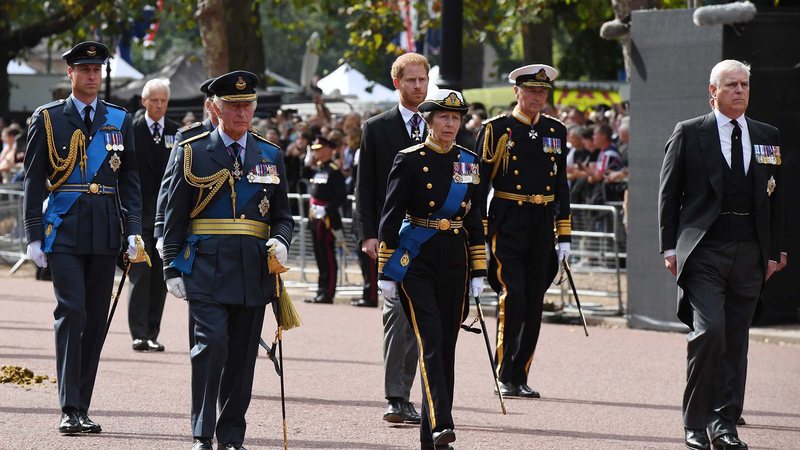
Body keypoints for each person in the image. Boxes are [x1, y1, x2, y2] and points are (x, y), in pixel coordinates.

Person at [161, 70, 293, 450]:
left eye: (247, 105)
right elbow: (175, 213)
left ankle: (231, 434)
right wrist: (171, 265)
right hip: (206, 265)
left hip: (253, 269)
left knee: (242, 356)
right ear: (214, 108)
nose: (241, 113)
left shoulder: (270, 154)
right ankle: (203, 432)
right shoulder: (193, 151)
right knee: (212, 344)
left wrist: (281, 241)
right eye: (232, 106)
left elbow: (282, 215)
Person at [659, 59, 784, 450]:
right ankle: (695, 423)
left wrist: (776, 249)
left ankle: (724, 424)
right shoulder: (690, 132)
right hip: (704, 250)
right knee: (710, 332)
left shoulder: (766, 135)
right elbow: (669, 193)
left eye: (744, 84)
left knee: (736, 341)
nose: (739, 91)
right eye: (731, 85)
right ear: (712, 91)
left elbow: (778, 197)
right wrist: (668, 246)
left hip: (750, 250)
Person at [23, 41, 144, 435]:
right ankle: (68, 406)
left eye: (97, 69)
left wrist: (135, 231)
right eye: (84, 69)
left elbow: (130, 180)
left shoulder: (120, 119)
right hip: (66, 230)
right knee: (71, 312)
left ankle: (83, 406)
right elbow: (32, 182)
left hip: (106, 230)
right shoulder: (48, 118)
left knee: (95, 321)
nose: (92, 75)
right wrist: (33, 235)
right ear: (70, 73)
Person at [378, 89, 485, 450]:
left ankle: (432, 439)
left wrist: (480, 270)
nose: (450, 124)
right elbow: (391, 214)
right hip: (417, 259)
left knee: (447, 346)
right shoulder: (409, 160)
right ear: (429, 120)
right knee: (431, 340)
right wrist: (385, 271)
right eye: (444, 117)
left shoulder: (469, 161)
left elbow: (475, 219)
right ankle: (442, 423)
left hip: (455, 257)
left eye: (456, 118)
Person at [476, 63, 571, 399]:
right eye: (531, 90)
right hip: (509, 218)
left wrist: (566, 235)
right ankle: (503, 372)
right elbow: (480, 185)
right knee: (512, 294)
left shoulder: (556, 130)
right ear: (516, 91)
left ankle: (521, 373)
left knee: (533, 301)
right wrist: (480, 234)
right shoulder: (497, 129)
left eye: (542, 91)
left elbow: (561, 184)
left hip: (543, 220)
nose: (537, 97)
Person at [356, 52, 429, 424]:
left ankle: (419, 395)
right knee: (396, 315)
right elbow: (365, 186)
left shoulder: (441, 124)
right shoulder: (377, 127)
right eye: (411, 80)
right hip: (392, 238)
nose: (418, 86)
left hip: (432, 238)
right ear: (397, 83)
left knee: (422, 319)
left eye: (423, 80)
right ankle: (396, 396)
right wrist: (368, 235)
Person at [128, 78, 180, 352]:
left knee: (161, 277)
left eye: (163, 101)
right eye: (154, 100)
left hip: (165, 217)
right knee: (140, 275)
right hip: (138, 213)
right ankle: (138, 332)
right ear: (144, 102)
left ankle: (152, 331)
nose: (159, 105)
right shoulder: (132, 130)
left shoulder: (176, 132)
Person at [304, 136, 346, 304]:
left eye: (319, 148)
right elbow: (304, 177)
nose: (316, 152)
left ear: (329, 149)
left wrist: (326, 209)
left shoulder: (334, 171)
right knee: (319, 255)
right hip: (315, 217)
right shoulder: (318, 168)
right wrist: (306, 163)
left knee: (328, 255)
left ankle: (328, 292)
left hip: (327, 219)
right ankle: (321, 289)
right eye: (314, 149)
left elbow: (340, 196)